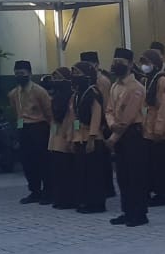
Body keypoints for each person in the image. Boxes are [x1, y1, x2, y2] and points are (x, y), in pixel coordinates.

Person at [108, 51, 150, 227]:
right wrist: (111, 125)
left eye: (122, 61)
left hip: (133, 134)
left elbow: (128, 116)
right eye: (115, 60)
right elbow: (108, 109)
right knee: (123, 175)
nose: (117, 64)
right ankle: (127, 211)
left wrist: (112, 138)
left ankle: (139, 213)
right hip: (118, 133)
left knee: (135, 175)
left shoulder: (136, 88)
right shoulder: (115, 86)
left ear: (131, 65)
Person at [7, 60, 52, 204]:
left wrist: (53, 132)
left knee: (43, 162)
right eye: (17, 74)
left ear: (30, 74)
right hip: (23, 129)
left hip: (38, 128)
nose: (19, 76)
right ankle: (35, 191)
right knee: (28, 162)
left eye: (22, 73)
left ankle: (48, 192)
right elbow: (16, 112)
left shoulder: (39, 91)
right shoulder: (14, 94)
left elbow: (49, 113)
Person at [140, 49, 165, 208]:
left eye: (146, 63)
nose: (144, 66)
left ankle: (163, 194)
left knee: (160, 164)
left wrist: (159, 128)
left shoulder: (162, 80)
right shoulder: (149, 79)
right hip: (149, 128)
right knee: (151, 164)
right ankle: (155, 191)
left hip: (161, 131)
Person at [73, 60, 109, 214]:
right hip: (80, 136)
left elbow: (96, 115)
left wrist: (92, 138)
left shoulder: (92, 92)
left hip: (93, 138)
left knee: (94, 173)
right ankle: (86, 201)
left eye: (78, 73)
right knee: (83, 172)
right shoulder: (78, 93)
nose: (74, 76)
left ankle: (97, 203)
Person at [45, 69, 78, 210]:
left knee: (66, 171)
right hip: (55, 139)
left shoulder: (70, 97)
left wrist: (70, 136)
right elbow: (52, 119)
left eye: (58, 78)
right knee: (57, 171)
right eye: (53, 78)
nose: (54, 80)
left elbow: (73, 119)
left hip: (66, 137)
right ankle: (59, 198)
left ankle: (68, 199)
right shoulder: (56, 96)